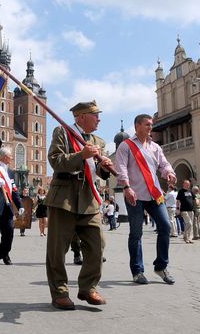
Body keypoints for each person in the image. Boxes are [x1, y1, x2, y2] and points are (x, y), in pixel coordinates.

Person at [45, 100, 113, 310]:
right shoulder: (63, 132)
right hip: (64, 197)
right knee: (58, 249)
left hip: (89, 199)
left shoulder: (99, 141)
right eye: (95, 115)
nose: (99, 119)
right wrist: (80, 155)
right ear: (81, 117)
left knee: (97, 245)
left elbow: (99, 173)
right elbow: (55, 161)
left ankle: (88, 288)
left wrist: (106, 167)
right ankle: (60, 292)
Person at [115, 113, 177, 285]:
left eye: (151, 124)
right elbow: (120, 168)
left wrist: (169, 173)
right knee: (136, 233)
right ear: (137, 126)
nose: (151, 127)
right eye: (147, 124)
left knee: (165, 226)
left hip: (154, 195)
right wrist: (126, 187)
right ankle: (137, 271)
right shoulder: (126, 146)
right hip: (135, 195)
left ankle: (161, 266)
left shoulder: (155, 147)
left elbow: (164, 165)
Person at [0, 146, 24, 266]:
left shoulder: (10, 171)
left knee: (9, 232)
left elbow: (13, 190)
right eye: (10, 156)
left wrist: (20, 205)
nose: (12, 158)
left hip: (7, 208)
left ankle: (5, 253)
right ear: (4, 157)